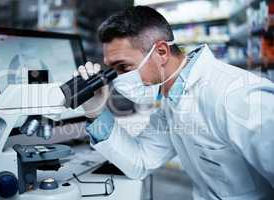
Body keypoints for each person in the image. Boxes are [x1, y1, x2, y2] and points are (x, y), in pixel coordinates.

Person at [76, 6, 274, 200]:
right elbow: (141, 162)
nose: (117, 80)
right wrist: (96, 112)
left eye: (123, 67)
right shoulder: (171, 101)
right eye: (112, 70)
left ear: (162, 52)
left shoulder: (238, 95)